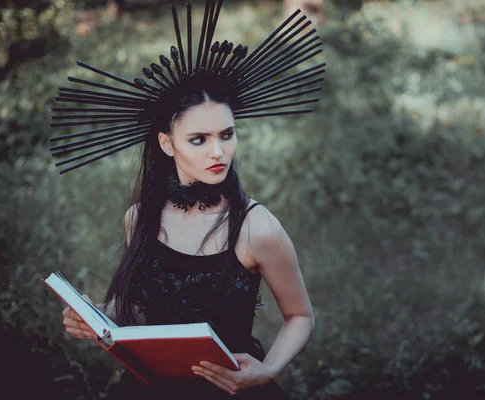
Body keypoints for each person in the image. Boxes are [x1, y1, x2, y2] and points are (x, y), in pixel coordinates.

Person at [54, 1, 325, 398]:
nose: (218, 152)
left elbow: (301, 315)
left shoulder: (256, 227)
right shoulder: (140, 217)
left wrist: (266, 371)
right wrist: (96, 318)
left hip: (230, 386)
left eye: (226, 134)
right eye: (198, 139)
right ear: (167, 143)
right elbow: (145, 310)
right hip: (152, 386)